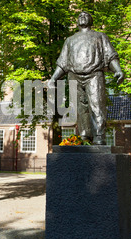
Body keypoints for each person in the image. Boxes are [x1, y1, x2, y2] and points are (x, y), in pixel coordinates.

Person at [48, 11, 124, 145]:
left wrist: (117, 70)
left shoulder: (100, 36)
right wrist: (53, 78)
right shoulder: (69, 40)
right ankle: (84, 135)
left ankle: (99, 135)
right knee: (79, 108)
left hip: (94, 74)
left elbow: (110, 55)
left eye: (86, 15)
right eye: (79, 16)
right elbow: (63, 62)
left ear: (91, 20)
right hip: (74, 76)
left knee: (97, 104)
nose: (82, 17)